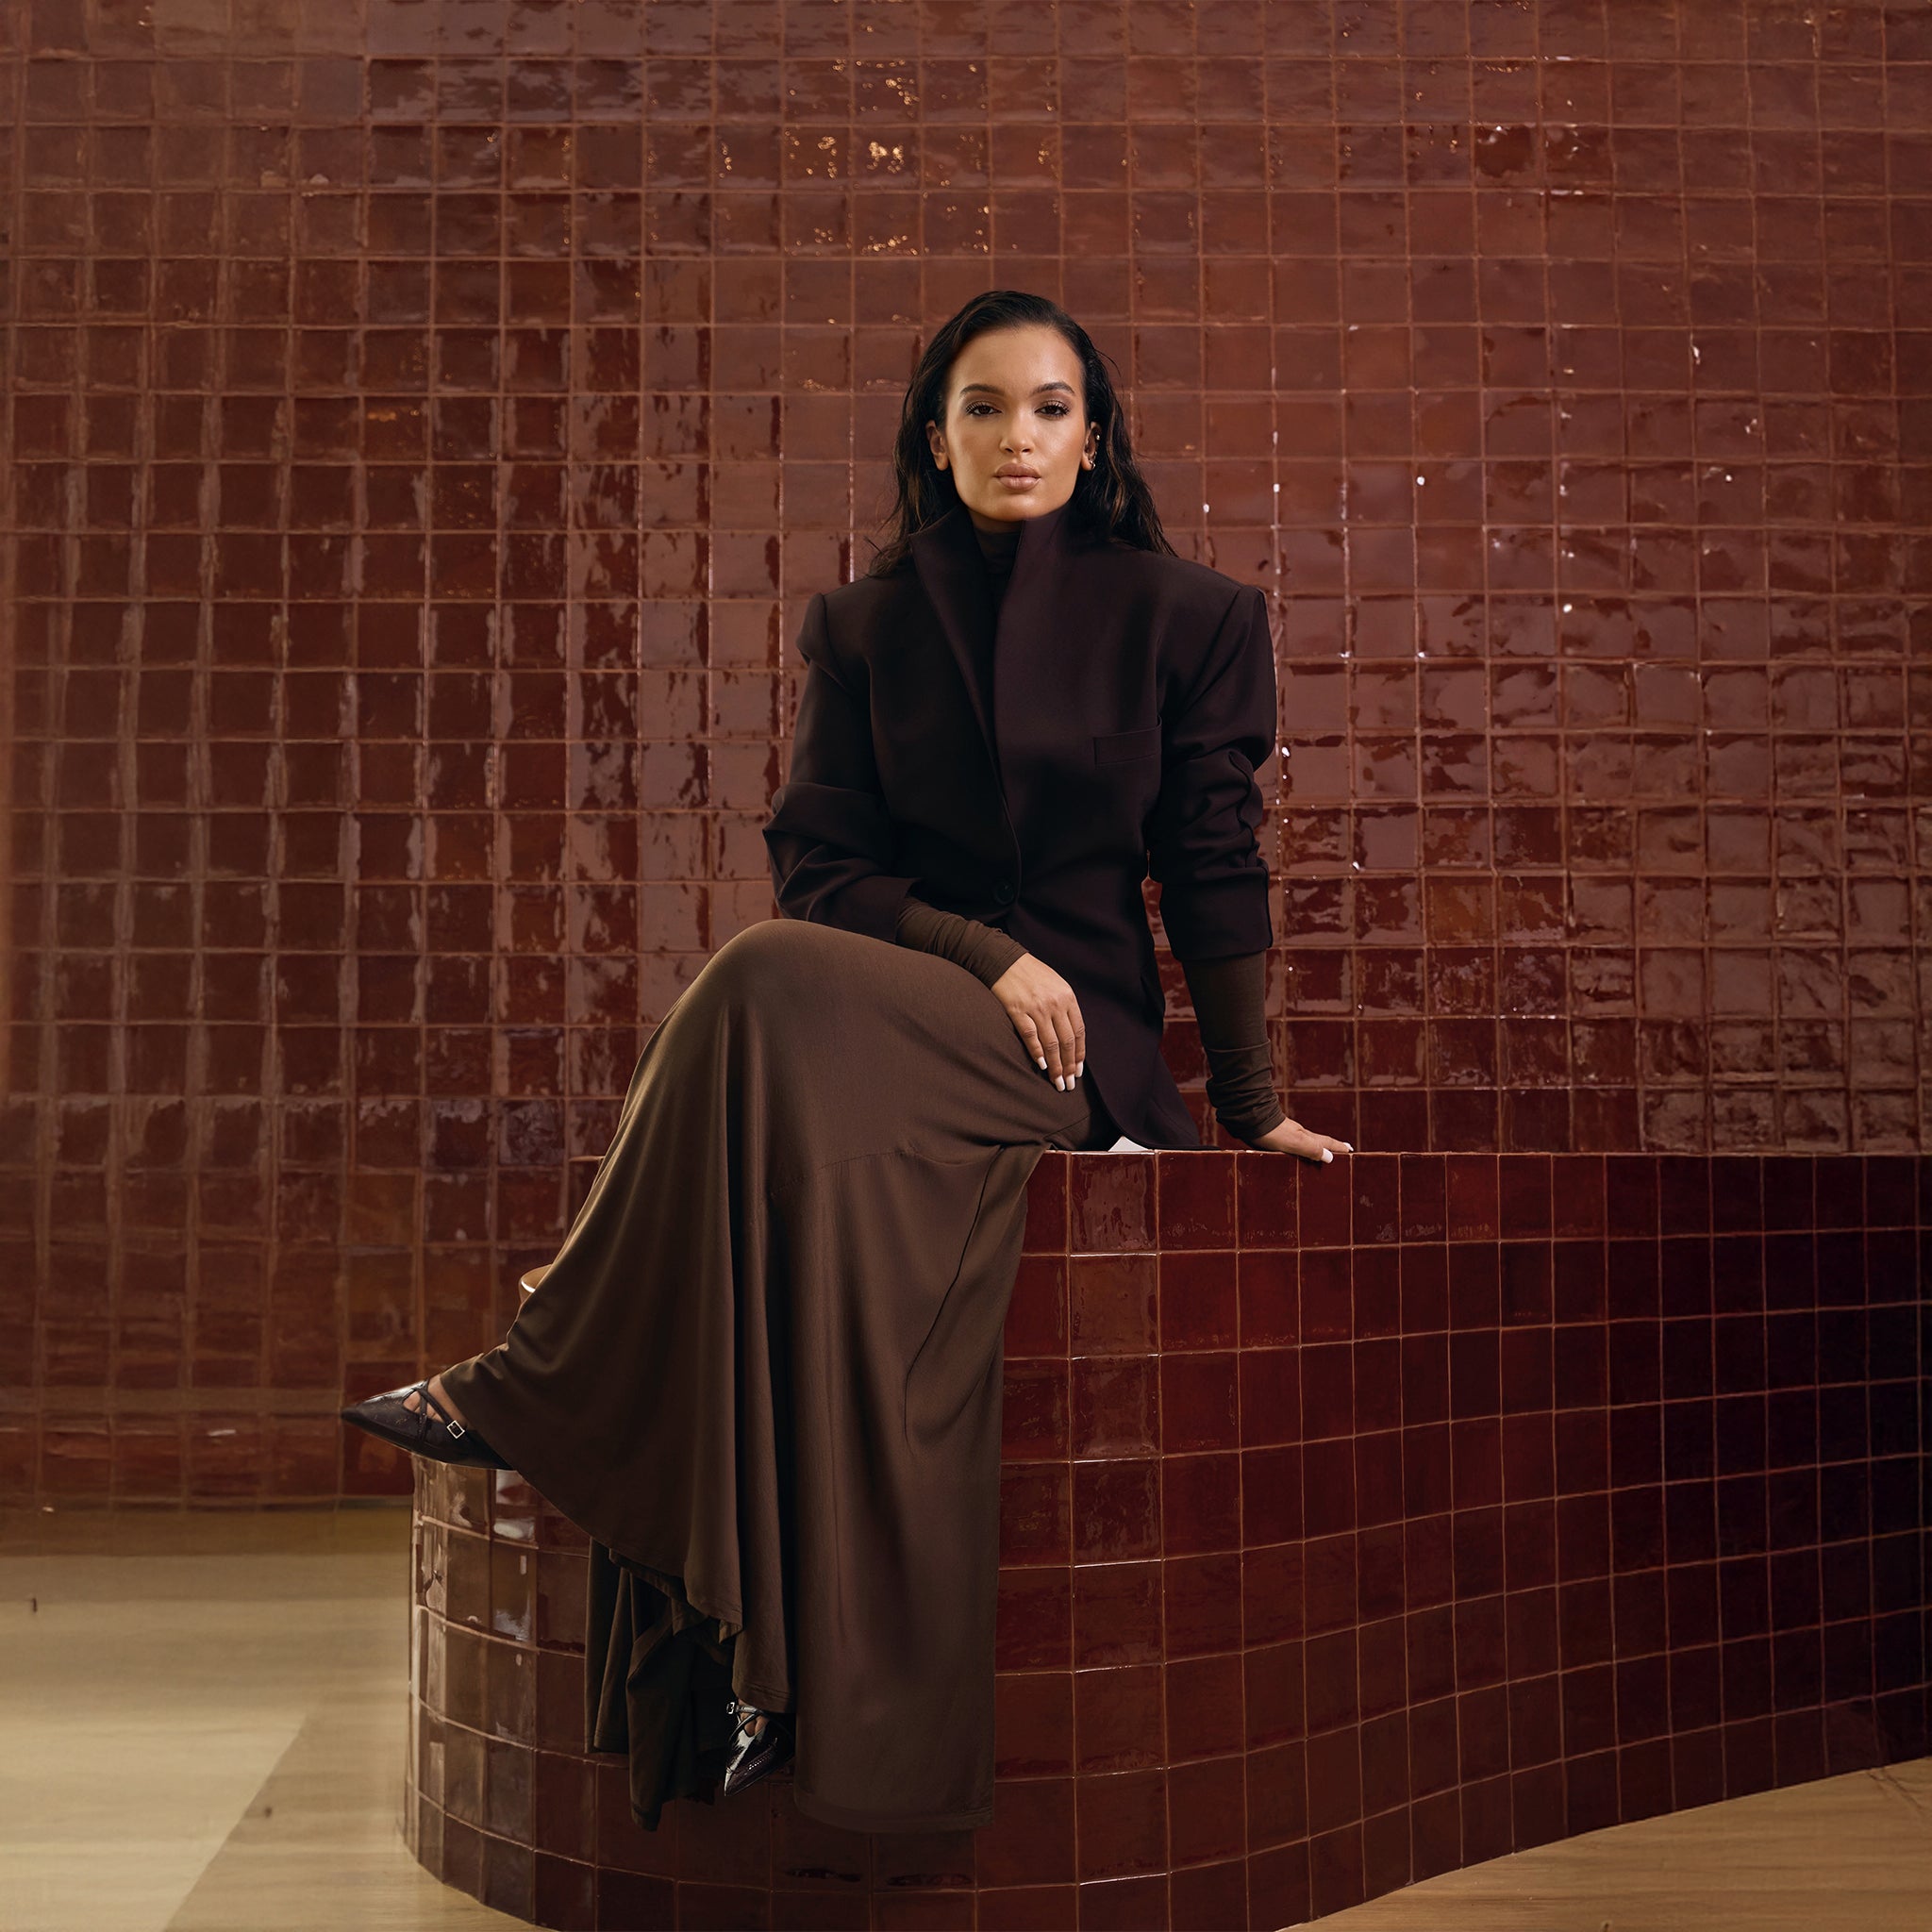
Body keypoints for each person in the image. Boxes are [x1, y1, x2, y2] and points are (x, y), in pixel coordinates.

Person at [342, 290, 1351, 1837]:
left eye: (1051, 407)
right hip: (921, 1008)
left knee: (749, 992)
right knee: (756, 1023)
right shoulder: (866, 629)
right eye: (982, 408)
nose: (1018, 436)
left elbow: (1214, 866)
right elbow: (822, 868)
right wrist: (980, 952)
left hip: (1075, 1052)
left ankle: (539, 1371)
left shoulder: (1193, 617)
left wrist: (1252, 1103)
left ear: (1095, 438)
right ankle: (750, 1660)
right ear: (934, 440)